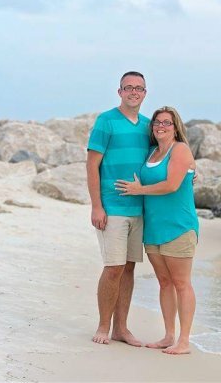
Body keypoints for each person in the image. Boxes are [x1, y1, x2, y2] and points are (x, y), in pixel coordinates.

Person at [115, 106, 198, 355]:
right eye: (157, 122)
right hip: (153, 228)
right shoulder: (151, 153)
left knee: (181, 283)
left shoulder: (180, 149)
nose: (161, 126)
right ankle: (168, 335)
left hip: (179, 227)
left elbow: (172, 185)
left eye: (167, 123)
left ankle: (184, 341)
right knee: (164, 283)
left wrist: (139, 190)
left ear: (176, 127)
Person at [86, 71, 150, 346]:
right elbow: (92, 165)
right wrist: (96, 206)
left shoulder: (148, 126)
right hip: (112, 207)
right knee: (113, 267)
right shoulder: (106, 121)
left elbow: (163, 158)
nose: (134, 92)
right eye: (128, 88)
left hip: (139, 208)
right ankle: (103, 326)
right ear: (120, 91)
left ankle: (121, 328)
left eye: (139, 88)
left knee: (129, 268)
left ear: (145, 93)